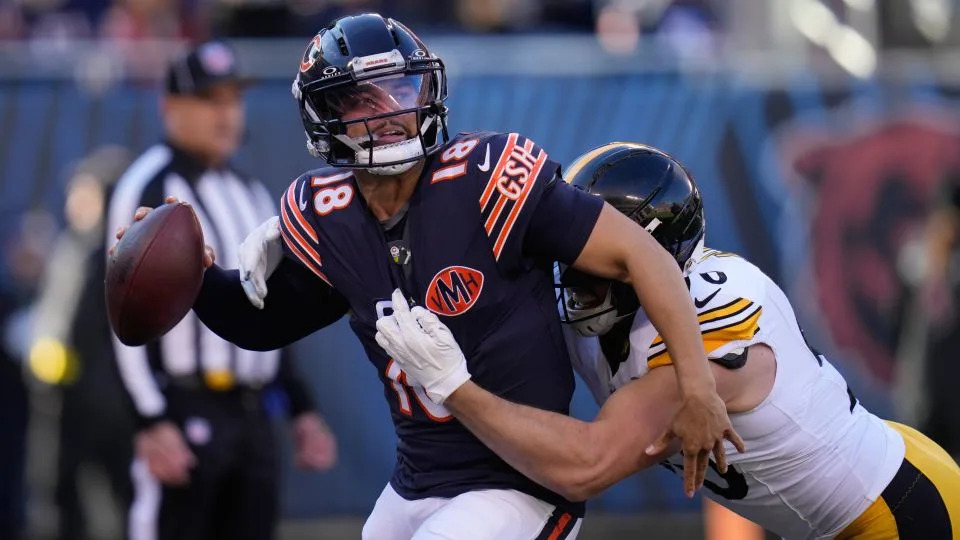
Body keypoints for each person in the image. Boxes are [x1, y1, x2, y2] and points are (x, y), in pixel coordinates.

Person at [118, 13, 740, 540]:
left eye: (402, 89)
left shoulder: (488, 179)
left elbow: (646, 255)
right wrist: (193, 277)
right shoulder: (327, 216)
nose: (391, 111)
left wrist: (697, 389)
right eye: (365, 97)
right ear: (326, 115)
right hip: (416, 480)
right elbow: (261, 324)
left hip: (522, 482)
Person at [376, 142, 960, 539]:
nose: (577, 273)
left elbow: (586, 466)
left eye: (602, 261)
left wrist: (454, 384)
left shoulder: (709, 328)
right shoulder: (608, 309)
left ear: (657, 256)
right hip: (821, 509)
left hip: (895, 507)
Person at [106, 41, 336, 540]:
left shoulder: (249, 192)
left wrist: (301, 408)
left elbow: (272, 310)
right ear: (171, 107)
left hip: (253, 415)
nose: (226, 113)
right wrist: (150, 419)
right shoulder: (148, 184)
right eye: (211, 100)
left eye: (233, 99)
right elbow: (121, 313)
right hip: (186, 407)